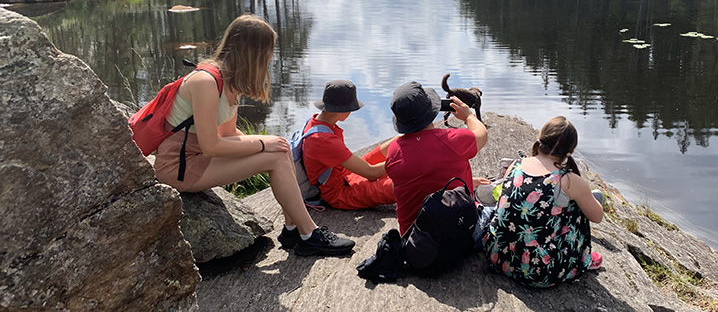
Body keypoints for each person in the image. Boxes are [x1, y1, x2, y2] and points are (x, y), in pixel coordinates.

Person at [151, 14, 354, 257]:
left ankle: (292, 229)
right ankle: (309, 234)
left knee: (282, 148)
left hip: (197, 159)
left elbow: (228, 133)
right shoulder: (206, 81)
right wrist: (261, 144)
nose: (269, 60)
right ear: (253, 52)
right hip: (179, 167)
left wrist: (271, 145)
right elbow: (211, 146)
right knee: (275, 154)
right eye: (267, 53)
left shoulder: (230, 83)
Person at [481, 116, 603, 288]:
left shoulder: (516, 164)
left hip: (496, 254)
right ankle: (583, 258)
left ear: (541, 140)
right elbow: (596, 217)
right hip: (539, 271)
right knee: (575, 205)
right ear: (571, 151)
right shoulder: (568, 180)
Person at [384, 81, 488, 235]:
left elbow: (420, 182)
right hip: (457, 235)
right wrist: (468, 116)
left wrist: (469, 182)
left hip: (413, 240)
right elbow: (481, 134)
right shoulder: (453, 139)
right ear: (432, 111)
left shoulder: (394, 150)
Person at [300, 79, 396, 210]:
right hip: (340, 192)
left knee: (397, 142)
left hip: (346, 174)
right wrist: (402, 162)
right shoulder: (324, 140)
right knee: (405, 186)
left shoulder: (316, 122)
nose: (351, 112)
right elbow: (371, 173)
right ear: (342, 110)